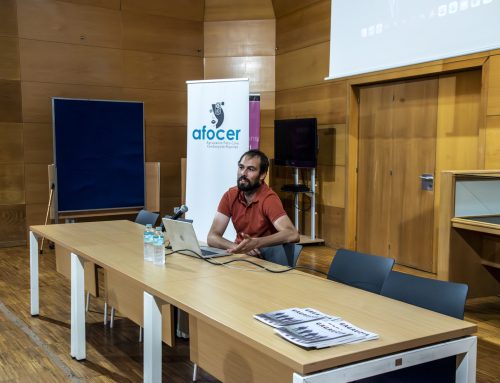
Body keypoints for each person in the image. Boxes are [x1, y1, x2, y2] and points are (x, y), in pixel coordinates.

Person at [207, 149, 300, 262]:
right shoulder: (230, 195)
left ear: (262, 175)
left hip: (267, 259)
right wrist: (239, 248)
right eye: (241, 167)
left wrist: (256, 243)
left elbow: (292, 234)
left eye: (250, 169)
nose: (243, 173)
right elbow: (212, 237)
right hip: (241, 257)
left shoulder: (268, 199)